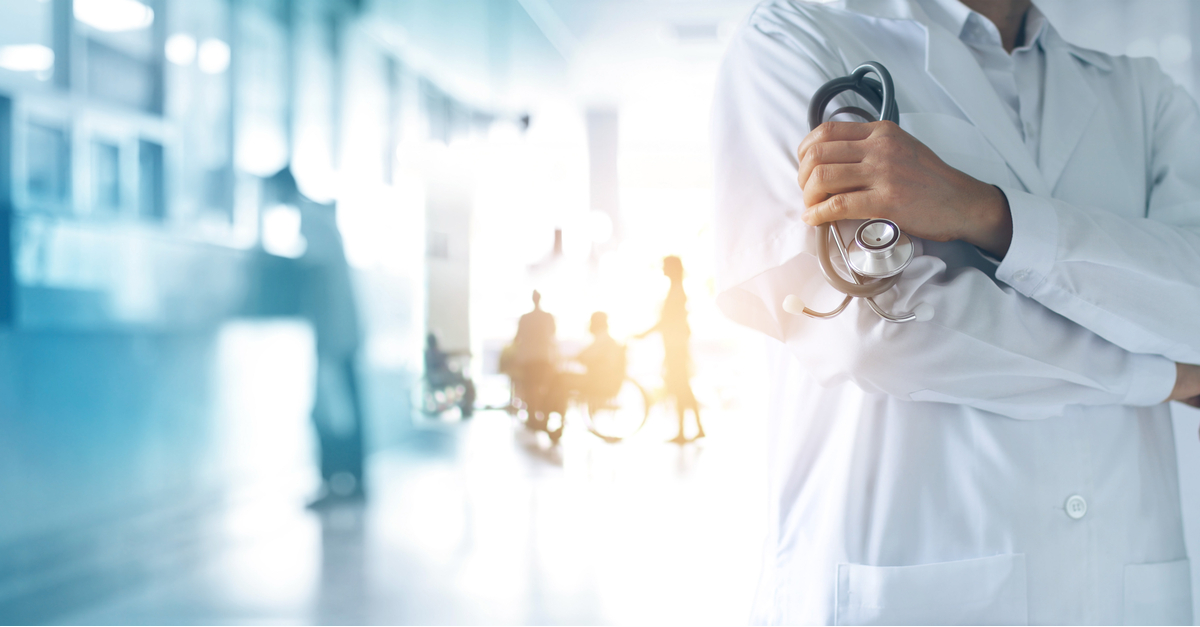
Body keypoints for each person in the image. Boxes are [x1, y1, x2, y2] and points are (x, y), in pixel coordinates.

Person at [713, 0, 1200, 624]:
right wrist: (1162, 374)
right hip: (909, 582)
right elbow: (875, 335)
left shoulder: (1143, 93)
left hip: (1121, 589)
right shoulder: (794, 36)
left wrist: (987, 212)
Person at [263, 166, 366, 508]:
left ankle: (335, 482)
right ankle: (351, 482)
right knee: (346, 407)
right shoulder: (318, 215)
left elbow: (311, 266)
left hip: (334, 332)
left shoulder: (310, 219)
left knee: (331, 411)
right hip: (341, 329)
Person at [637, 256, 704, 444]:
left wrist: (644, 334)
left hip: (676, 348)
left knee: (680, 387)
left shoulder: (676, 292)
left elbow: (667, 320)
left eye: (665, 266)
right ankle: (695, 428)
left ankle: (686, 430)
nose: (662, 269)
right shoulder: (677, 290)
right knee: (683, 388)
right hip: (676, 347)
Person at [511, 290, 558, 419]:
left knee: (529, 387)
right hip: (543, 357)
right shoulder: (548, 317)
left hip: (528, 358)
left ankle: (532, 413)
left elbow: (517, 338)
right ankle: (541, 412)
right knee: (541, 386)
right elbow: (553, 335)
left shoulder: (525, 318)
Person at [424, 332, 476, 417]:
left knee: (463, 378)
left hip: (440, 379)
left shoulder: (428, 353)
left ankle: (466, 406)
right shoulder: (434, 353)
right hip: (443, 379)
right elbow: (449, 354)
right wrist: (464, 352)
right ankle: (467, 407)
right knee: (467, 381)